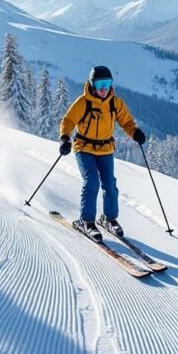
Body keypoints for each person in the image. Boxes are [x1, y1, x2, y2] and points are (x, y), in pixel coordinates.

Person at [58, 65, 146, 242]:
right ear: (92, 85)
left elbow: (126, 121)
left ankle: (109, 218)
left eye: (107, 83)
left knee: (110, 185)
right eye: (100, 84)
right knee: (91, 182)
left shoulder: (115, 103)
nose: (104, 89)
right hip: (84, 148)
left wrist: (135, 132)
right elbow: (68, 120)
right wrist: (65, 138)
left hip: (105, 149)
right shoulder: (84, 102)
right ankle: (86, 221)